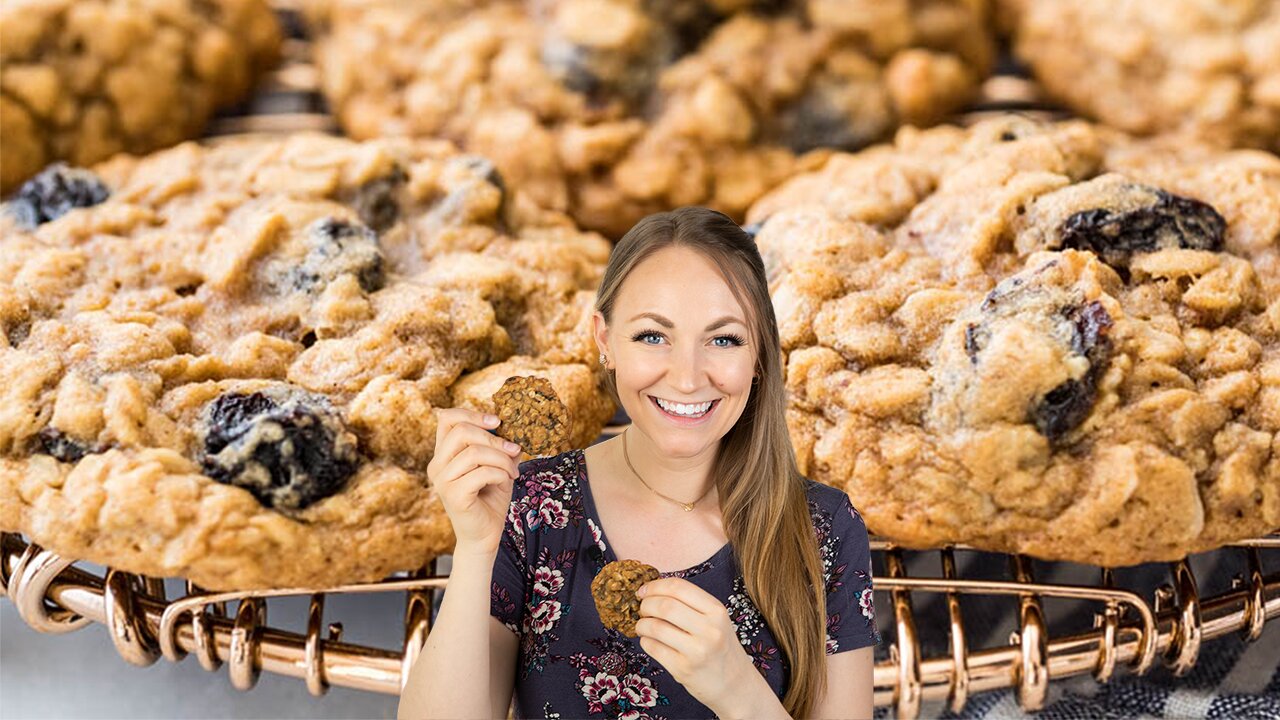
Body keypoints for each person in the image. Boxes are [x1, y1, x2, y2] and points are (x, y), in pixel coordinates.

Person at [399, 207, 878, 720]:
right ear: (605, 341)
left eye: (724, 339)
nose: (689, 378)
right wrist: (474, 547)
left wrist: (740, 691)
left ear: (759, 354)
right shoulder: (531, 506)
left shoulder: (824, 528)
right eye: (653, 336)